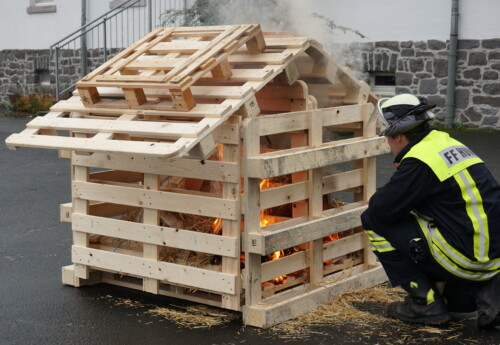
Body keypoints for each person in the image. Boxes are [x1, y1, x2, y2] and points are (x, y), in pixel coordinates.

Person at [361, 93, 500, 327]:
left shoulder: (419, 161)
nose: (388, 143)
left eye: (388, 137)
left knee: (372, 219)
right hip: (493, 258)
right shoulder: (446, 143)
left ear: (398, 135)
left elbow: (382, 209)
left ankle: (424, 303)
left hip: (466, 259)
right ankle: (487, 293)